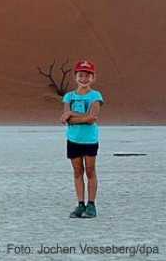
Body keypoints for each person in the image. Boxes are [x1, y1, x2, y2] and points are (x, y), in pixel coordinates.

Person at [60, 60, 104, 219]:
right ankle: (80, 204)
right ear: (75, 76)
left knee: (90, 171)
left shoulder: (95, 95)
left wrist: (73, 114)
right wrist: (79, 117)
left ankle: (91, 205)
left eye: (87, 75)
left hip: (90, 140)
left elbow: (93, 118)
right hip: (73, 140)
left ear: (93, 77)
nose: (84, 79)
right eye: (81, 75)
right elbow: (66, 119)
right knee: (77, 172)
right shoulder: (69, 96)